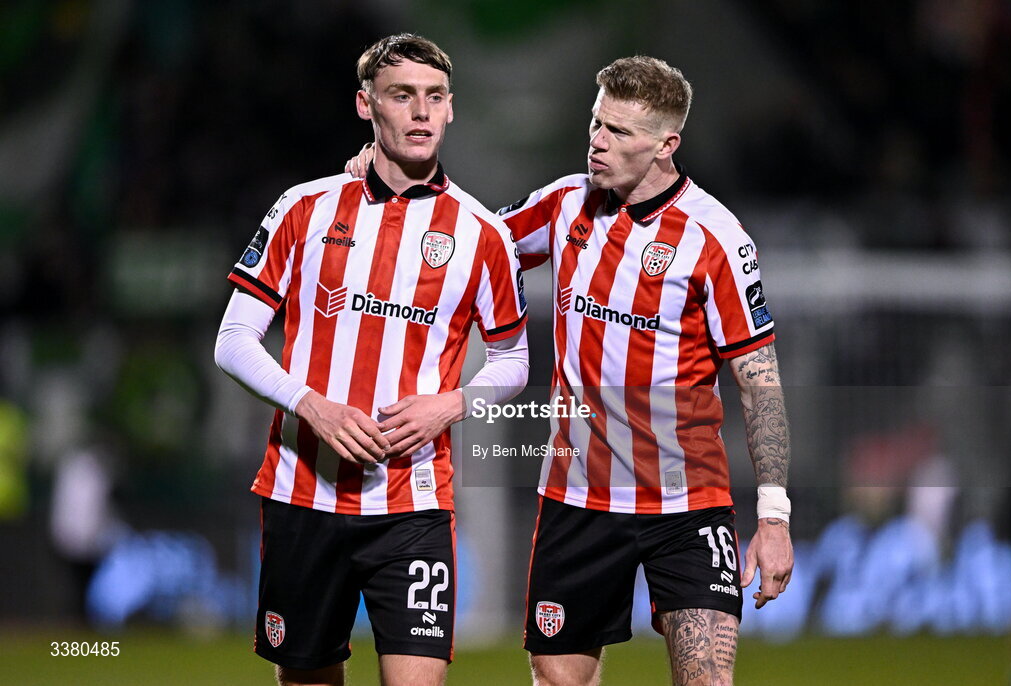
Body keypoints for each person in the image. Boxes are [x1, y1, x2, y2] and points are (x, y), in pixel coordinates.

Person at [347, 55, 793, 686]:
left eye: (618, 132)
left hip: (685, 503)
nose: (597, 142)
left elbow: (760, 383)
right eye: (595, 123)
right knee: (557, 678)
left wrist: (773, 516)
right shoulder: (564, 204)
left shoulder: (716, 238)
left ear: (667, 145)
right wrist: (392, 175)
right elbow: (469, 245)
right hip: (577, 499)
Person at [215, 34, 529, 686]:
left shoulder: (482, 234)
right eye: (401, 95)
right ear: (366, 106)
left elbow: (513, 358)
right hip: (303, 493)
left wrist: (453, 403)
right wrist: (311, 405)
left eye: (434, 97)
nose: (419, 112)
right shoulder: (303, 209)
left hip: (412, 505)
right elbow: (234, 339)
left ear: (450, 111)